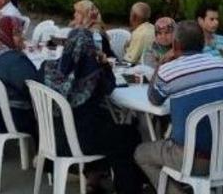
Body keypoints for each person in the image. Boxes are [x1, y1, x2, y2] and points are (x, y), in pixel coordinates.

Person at [43, 28, 146, 194]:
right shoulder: (93, 74)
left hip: (53, 136)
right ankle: (128, 188)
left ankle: (94, 177)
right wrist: (104, 64)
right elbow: (110, 87)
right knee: (128, 135)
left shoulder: (48, 68)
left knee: (107, 127)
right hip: (79, 141)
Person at [134, 21, 223, 194]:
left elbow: (154, 99)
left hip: (190, 158)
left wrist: (161, 64)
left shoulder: (170, 70)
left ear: (176, 45)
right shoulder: (221, 64)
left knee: (141, 153)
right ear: (202, 43)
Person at [0, 16, 41, 139]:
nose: (22, 38)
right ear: (5, 33)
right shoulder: (14, 60)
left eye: (21, 33)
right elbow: (33, 87)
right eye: (17, 34)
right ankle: (45, 155)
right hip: (9, 117)